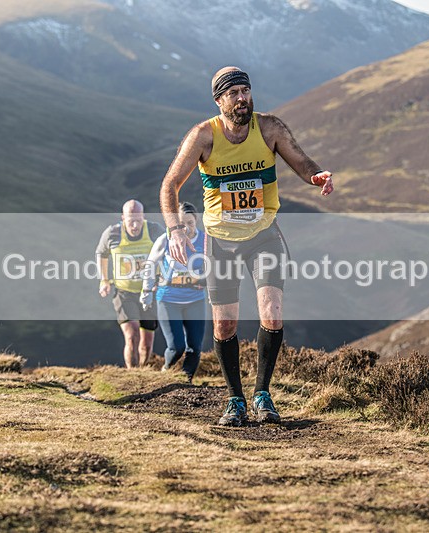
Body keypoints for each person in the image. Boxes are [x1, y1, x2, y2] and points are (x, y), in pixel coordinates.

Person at [159, 66, 334, 426]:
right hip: (221, 242)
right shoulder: (203, 137)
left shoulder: (269, 127)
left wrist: (317, 176)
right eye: (234, 93)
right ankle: (235, 399)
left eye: (246, 91)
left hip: (264, 235)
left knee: (272, 313)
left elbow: (301, 162)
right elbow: (170, 185)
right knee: (225, 326)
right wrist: (175, 230)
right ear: (219, 100)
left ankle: (262, 394)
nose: (243, 99)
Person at [140, 202, 207, 383]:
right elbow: (150, 264)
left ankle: (185, 381)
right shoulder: (166, 239)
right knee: (176, 347)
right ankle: (166, 371)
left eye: (190, 223)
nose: (186, 227)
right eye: (181, 223)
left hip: (195, 300)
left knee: (195, 347)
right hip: (168, 299)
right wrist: (146, 291)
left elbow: (217, 266)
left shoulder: (206, 240)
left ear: (196, 221)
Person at [96, 199, 164, 368]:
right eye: (130, 221)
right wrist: (104, 280)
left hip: (149, 291)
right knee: (132, 333)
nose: (134, 225)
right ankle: (132, 374)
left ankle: (142, 371)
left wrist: (163, 278)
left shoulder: (155, 230)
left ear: (143, 217)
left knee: (147, 341)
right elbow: (101, 253)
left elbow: (168, 252)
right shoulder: (112, 233)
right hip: (124, 292)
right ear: (122, 218)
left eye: (138, 221)